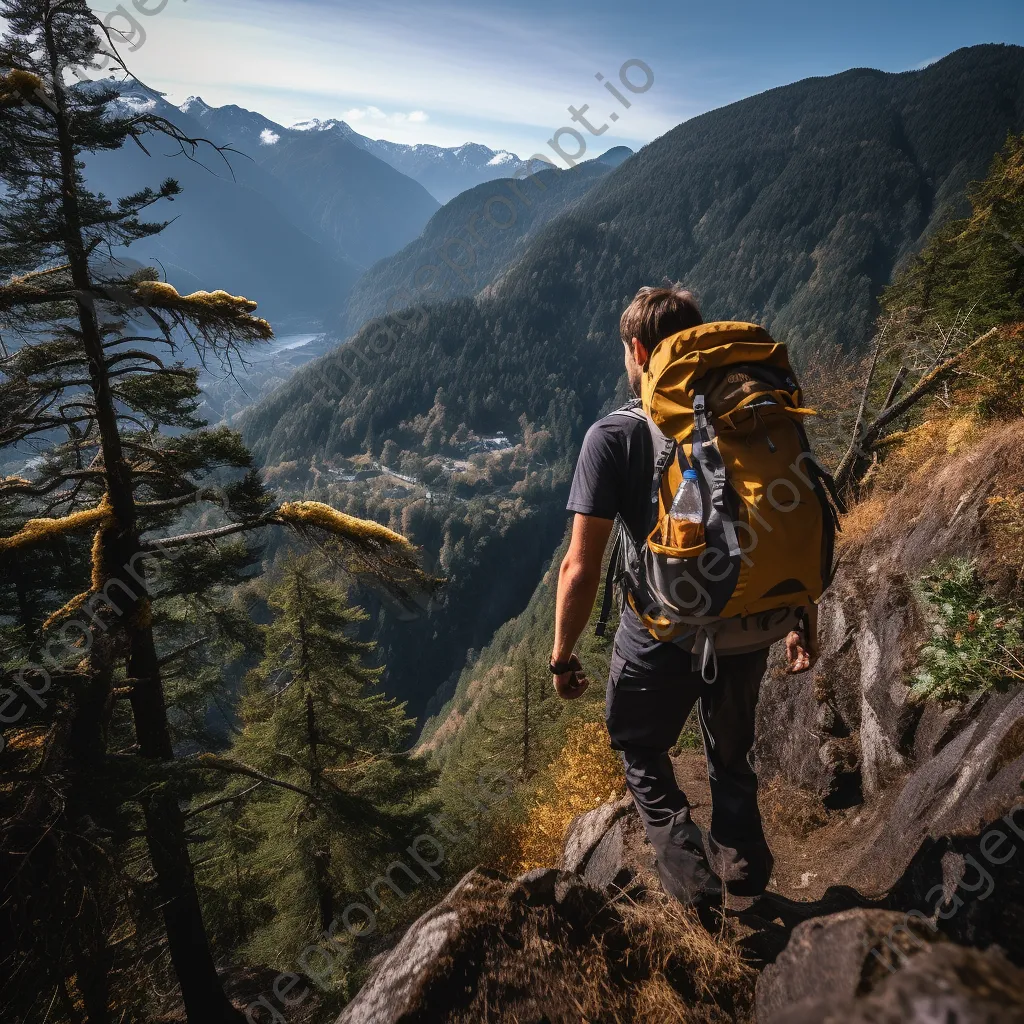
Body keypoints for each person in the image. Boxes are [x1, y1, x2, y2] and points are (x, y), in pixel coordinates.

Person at [548, 285, 818, 910]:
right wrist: (801, 613)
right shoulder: (751, 415)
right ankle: (743, 866)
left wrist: (562, 657)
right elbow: (791, 516)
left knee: (640, 745)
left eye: (625, 351)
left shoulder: (612, 436)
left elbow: (579, 567)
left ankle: (693, 887)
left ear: (638, 350)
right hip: (754, 617)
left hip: (663, 627)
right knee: (730, 747)